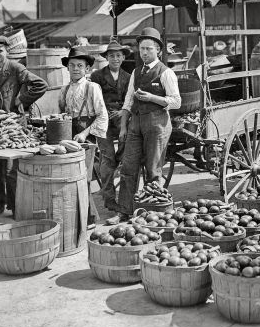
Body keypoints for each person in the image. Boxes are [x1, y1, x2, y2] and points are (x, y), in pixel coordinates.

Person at [110, 27, 181, 225]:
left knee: (152, 170)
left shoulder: (166, 73)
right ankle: (124, 212)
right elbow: (128, 102)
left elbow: (176, 102)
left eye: (149, 49)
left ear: (158, 50)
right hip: (136, 124)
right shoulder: (136, 72)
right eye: (142, 49)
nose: (144, 53)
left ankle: (152, 215)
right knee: (128, 168)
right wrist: (124, 127)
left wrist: (152, 98)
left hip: (157, 123)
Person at [0, 36, 48, 215]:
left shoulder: (15, 68)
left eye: (0, 51)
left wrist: (22, 99)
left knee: (11, 168)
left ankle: (16, 207)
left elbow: (40, 85)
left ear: (7, 52)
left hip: (12, 122)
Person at [58, 47, 109, 229]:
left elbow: (102, 115)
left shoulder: (92, 87)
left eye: (80, 65)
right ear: (67, 68)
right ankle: (74, 217)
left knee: (83, 178)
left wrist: (85, 133)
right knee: (69, 177)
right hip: (68, 135)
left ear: (87, 69)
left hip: (86, 136)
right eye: (72, 65)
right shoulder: (63, 90)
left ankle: (89, 218)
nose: (76, 69)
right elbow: (61, 115)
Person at [89, 40, 132, 212]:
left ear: (122, 58)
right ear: (106, 57)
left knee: (126, 151)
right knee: (106, 159)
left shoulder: (128, 77)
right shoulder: (97, 76)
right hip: (103, 120)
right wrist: (105, 113)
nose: (115, 58)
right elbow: (93, 100)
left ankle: (119, 162)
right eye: (112, 55)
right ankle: (109, 198)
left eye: (118, 56)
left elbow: (130, 100)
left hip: (121, 120)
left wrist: (123, 112)